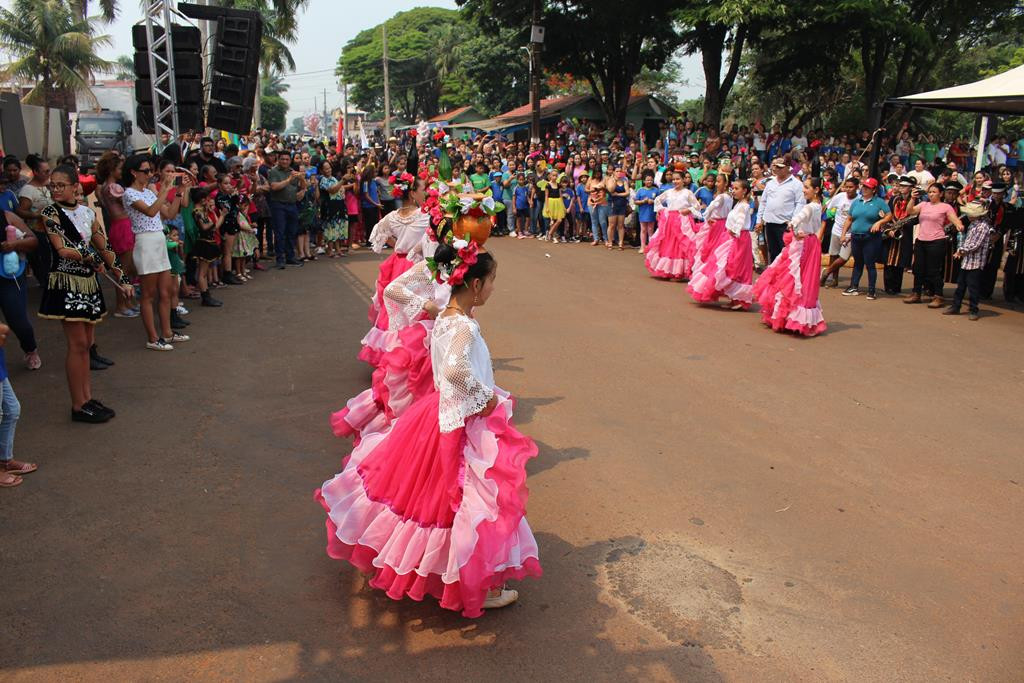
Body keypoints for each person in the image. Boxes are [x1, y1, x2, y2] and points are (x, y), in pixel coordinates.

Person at [315, 218, 541, 617]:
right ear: (474, 285)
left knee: (423, 496)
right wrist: (485, 398)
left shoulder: (445, 319)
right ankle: (470, 580)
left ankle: (430, 565)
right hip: (457, 418)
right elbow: (455, 372)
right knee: (465, 498)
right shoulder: (462, 327)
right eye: (491, 282)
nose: (492, 289)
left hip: (432, 413)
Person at [38, 165, 132, 422]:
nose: (55, 190)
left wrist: (123, 279)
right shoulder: (49, 213)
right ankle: (78, 405)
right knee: (77, 344)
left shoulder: (88, 214)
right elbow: (62, 248)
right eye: (52, 185)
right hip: (67, 282)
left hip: (88, 282)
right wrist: (89, 256)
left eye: (60, 185)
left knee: (86, 345)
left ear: (74, 186)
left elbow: (107, 248)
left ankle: (87, 398)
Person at [121, 154, 191, 351]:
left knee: (166, 291)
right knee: (148, 294)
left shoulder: (150, 192)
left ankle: (167, 333)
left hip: (159, 239)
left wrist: (179, 191)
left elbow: (170, 214)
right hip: (145, 242)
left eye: (151, 171)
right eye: (146, 171)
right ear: (133, 173)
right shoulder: (129, 194)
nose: (150, 174)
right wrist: (165, 189)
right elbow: (151, 212)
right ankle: (152, 337)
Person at [361, 173, 429, 367]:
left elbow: (379, 233)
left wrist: (398, 244)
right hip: (416, 266)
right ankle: (407, 355)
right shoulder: (425, 215)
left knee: (394, 309)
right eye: (423, 189)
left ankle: (392, 354)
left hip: (397, 263)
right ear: (413, 193)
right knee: (413, 309)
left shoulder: (392, 216)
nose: (426, 193)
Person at [753, 177, 827, 336]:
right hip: (809, 242)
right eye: (804, 187)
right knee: (799, 278)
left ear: (816, 190)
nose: (804, 190)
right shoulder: (817, 205)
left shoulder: (811, 207)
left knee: (795, 278)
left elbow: (797, 219)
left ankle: (792, 317)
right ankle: (791, 316)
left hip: (804, 245)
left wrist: (792, 225)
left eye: (807, 187)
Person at [903, 183, 963, 308]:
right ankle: (916, 293)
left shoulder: (945, 207)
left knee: (934, 270)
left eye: (934, 192)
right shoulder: (924, 205)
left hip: (937, 241)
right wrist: (912, 198)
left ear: (941, 194)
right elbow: (910, 211)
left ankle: (938, 296)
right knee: (918, 269)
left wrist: (959, 225)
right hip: (921, 240)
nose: (931, 194)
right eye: (929, 192)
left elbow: (954, 218)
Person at [0, 205, 41, 370]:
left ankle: (30, 349)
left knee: (18, 322)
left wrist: (14, 244)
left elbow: (33, 240)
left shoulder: (7, 216)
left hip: (9, 276)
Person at [840, 177, 891, 300]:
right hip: (856, 236)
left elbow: (889, 215)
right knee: (858, 262)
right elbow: (850, 219)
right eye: (864, 187)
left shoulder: (879, 202)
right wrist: (844, 234)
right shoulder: (857, 202)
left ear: (874, 190)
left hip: (871, 237)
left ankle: (871, 290)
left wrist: (879, 223)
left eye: (867, 187)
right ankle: (854, 286)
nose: (864, 189)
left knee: (870, 263)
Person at [687, 172, 734, 303]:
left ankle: (706, 283)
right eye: (717, 181)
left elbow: (709, 209)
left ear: (725, 184)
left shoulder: (721, 197)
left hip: (717, 226)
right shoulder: (729, 197)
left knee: (712, 253)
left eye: (719, 182)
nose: (716, 184)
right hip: (724, 225)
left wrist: (707, 219)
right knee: (718, 255)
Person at [645, 169, 699, 280]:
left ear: (684, 180)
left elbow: (697, 206)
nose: (675, 181)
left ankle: (678, 272)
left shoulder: (688, 193)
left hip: (682, 222)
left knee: (680, 245)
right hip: (669, 222)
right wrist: (662, 210)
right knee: (668, 244)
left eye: (678, 179)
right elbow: (657, 200)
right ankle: (667, 270)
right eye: (674, 179)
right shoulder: (669, 192)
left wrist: (688, 210)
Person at [944, 202, 994, 320]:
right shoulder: (973, 224)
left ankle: (973, 310)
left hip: (975, 262)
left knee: (973, 287)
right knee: (960, 285)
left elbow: (975, 245)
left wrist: (960, 251)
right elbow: (968, 241)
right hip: (967, 261)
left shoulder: (982, 226)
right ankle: (956, 306)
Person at [755, 158, 807, 263]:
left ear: (788, 168)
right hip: (769, 223)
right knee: (773, 252)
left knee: (786, 253)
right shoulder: (770, 183)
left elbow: (800, 203)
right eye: (775, 167)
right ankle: (774, 277)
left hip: (785, 225)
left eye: (780, 167)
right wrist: (759, 220)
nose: (777, 169)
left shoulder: (796, 184)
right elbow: (764, 202)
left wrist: (793, 221)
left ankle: (784, 278)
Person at [267, 150, 304, 269]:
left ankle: (290, 257)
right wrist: (289, 180)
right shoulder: (273, 171)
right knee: (280, 233)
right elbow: (274, 187)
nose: (285, 161)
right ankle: (280, 259)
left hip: (292, 205)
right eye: (282, 159)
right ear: (278, 160)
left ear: (290, 161)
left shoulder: (292, 171)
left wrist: (301, 178)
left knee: (291, 232)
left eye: (287, 159)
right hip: (278, 205)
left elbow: (302, 187)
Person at [881, 176, 918, 295]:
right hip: (892, 230)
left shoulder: (916, 201)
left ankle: (896, 287)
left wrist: (903, 225)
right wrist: (890, 228)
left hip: (905, 233)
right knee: (888, 261)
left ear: (911, 188)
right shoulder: (894, 199)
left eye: (904, 186)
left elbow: (916, 218)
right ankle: (888, 287)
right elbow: (889, 214)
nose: (901, 188)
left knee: (900, 261)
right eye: (900, 186)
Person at [819, 178, 859, 289]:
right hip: (836, 229)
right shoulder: (839, 196)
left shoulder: (859, 199)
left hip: (850, 233)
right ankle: (834, 279)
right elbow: (827, 207)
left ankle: (827, 272)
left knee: (844, 257)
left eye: (851, 187)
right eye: (846, 187)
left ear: (856, 187)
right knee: (833, 255)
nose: (848, 189)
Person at [190, 187, 223, 307]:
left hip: (208, 240)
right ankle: (205, 296)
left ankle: (206, 295)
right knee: (202, 273)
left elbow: (211, 226)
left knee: (203, 272)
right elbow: (205, 226)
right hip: (204, 242)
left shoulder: (202, 211)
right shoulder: (197, 211)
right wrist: (211, 221)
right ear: (202, 199)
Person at [319, 160, 348, 257]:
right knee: (330, 228)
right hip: (329, 206)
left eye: (329, 168)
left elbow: (340, 188)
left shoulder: (334, 178)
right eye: (326, 168)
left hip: (339, 204)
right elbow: (332, 190)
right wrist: (343, 181)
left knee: (338, 227)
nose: (328, 170)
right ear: (322, 170)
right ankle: (330, 250)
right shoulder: (323, 180)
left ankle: (338, 249)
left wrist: (342, 187)